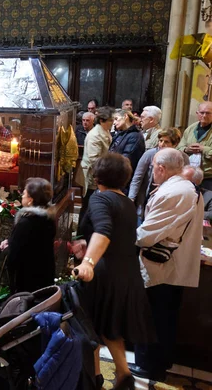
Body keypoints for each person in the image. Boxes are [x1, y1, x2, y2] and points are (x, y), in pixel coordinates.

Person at [72, 153, 153, 390]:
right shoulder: (126, 202)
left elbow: (105, 231)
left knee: (88, 328)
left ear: (97, 175)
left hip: (104, 273)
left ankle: (94, 377)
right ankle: (124, 374)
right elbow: (115, 235)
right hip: (126, 272)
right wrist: (89, 245)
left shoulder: (100, 199)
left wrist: (88, 261)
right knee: (110, 328)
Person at [132, 148, 203, 382]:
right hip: (171, 266)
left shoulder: (175, 191)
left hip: (163, 267)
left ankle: (150, 366)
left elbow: (148, 234)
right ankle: (159, 361)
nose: (153, 172)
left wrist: (122, 237)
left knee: (154, 317)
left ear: (161, 168)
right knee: (164, 316)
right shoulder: (183, 187)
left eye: (153, 168)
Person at [0, 178, 55, 293]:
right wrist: (11, 241)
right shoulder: (48, 218)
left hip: (28, 279)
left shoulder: (27, 222)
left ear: (30, 200)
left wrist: (7, 248)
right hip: (44, 273)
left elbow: (14, 256)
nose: (22, 196)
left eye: (24, 193)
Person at [128, 128, 186, 223]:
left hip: (167, 196)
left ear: (175, 144)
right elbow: (137, 177)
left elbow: (183, 179)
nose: (162, 144)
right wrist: (131, 198)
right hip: (146, 195)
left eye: (166, 142)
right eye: (160, 140)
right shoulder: (149, 154)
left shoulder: (182, 157)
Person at [79, 106, 114, 231]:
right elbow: (94, 160)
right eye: (111, 120)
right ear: (102, 120)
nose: (113, 122)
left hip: (99, 173)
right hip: (92, 175)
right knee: (87, 204)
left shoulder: (104, 131)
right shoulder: (95, 135)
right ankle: (81, 233)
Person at [176, 101, 212, 190]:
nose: (204, 115)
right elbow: (179, 148)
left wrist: (204, 149)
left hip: (208, 178)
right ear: (197, 113)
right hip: (189, 176)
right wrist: (187, 149)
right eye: (202, 113)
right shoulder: (190, 129)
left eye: (207, 113)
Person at [109, 109, 145, 192]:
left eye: (116, 119)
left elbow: (126, 160)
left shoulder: (135, 136)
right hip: (114, 177)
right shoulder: (120, 134)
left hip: (123, 181)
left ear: (125, 116)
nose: (114, 123)